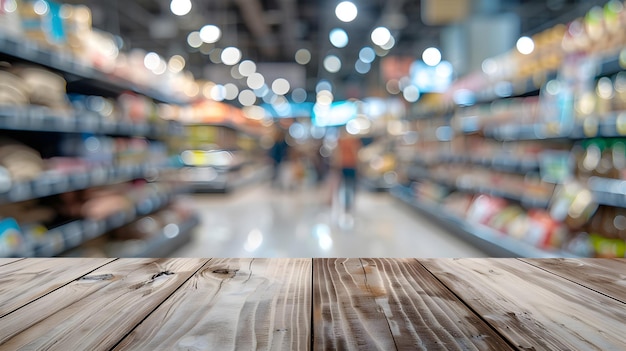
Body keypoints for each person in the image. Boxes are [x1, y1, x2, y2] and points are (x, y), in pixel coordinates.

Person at [334, 127, 362, 228]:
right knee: (350, 185)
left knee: (346, 185)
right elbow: (356, 153)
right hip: (349, 165)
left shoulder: (343, 140)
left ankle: (348, 204)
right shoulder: (352, 140)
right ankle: (349, 204)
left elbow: (338, 153)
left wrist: (337, 164)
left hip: (346, 165)